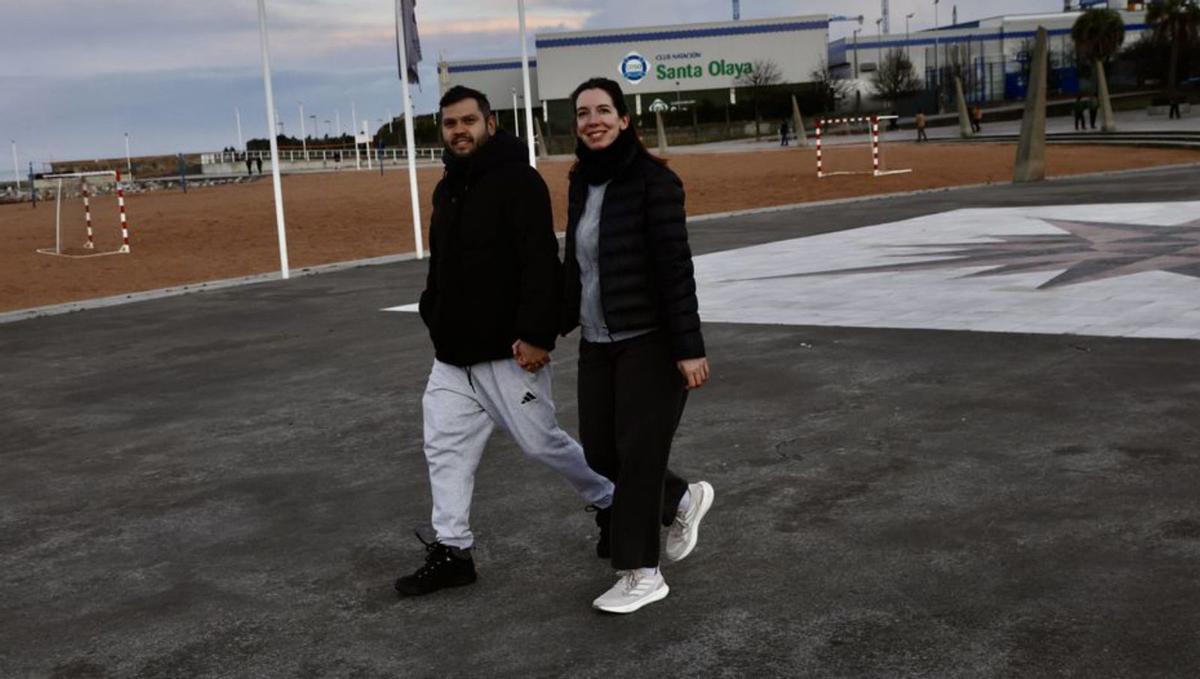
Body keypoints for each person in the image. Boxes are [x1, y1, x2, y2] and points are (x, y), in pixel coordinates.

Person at [395, 86, 615, 597]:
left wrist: (538, 335)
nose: (459, 131)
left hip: (509, 352)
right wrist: (434, 311)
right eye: (450, 124)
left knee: (541, 443)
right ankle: (453, 550)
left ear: (490, 123)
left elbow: (541, 262)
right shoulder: (448, 186)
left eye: (468, 121)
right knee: (443, 448)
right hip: (452, 357)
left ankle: (612, 501)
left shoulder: (520, 181)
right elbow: (441, 264)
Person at [563, 77, 714, 614]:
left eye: (604, 110)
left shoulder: (655, 182)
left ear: (625, 120)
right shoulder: (582, 182)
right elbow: (577, 268)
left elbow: (675, 270)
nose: (592, 120)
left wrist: (688, 347)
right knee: (602, 452)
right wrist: (543, 329)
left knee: (639, 455)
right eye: (583, 113)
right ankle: (682, 498)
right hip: (597, 342)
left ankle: (642, 573)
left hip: (649, 342)